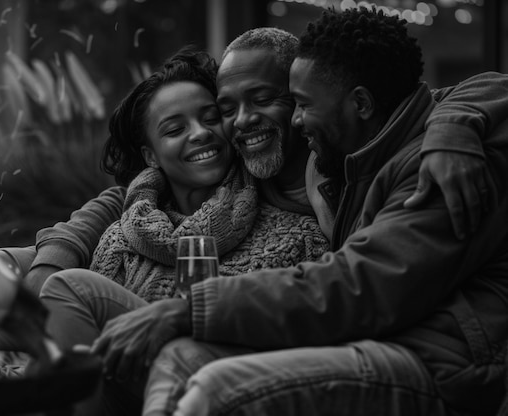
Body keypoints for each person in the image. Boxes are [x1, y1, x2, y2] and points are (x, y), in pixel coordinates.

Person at [124, 8, 508, 416]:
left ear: (359, 103)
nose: (296, 119)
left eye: (300, 104)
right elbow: (143, 189)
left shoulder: (441, 167)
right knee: (181, 356)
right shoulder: (342, 157)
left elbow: (362, 284)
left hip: (438, 366)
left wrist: (195, 308)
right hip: (375, 340)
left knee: (217, 388)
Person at [34, 46, 327, 415]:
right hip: (125, 394)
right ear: (151, 155)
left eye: (211, 118)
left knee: (70, 287)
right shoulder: (122, 237)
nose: (201, 133)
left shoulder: (293, 230)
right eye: (175, 129)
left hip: (232, 389)